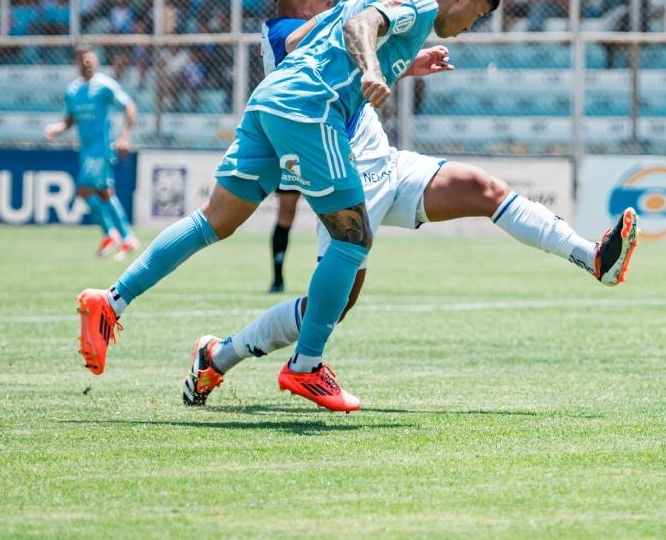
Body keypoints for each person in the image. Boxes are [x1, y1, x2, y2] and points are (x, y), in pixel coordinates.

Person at [75, 0, 501, 412]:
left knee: (213, 220)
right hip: (312, 109)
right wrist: (372, 69)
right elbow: (360, 27)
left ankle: (111, 300)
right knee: (353, 238)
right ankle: (306, 365)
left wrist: (396, 62)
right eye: (477, 15)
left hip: (271, 99)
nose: (469, 27)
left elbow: (303, 40)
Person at [182, 101, 640, 406]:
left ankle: (593, 258)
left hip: (388, 164)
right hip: (345, 177)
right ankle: (220, 356)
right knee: (334, 306)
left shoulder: (338, 19)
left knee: (485, 189)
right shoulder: (291, 34)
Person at [45, 46, 140, 260]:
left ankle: (112, 234)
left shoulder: (105, 85)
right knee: (104, 193)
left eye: (90, 59)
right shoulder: (72, 91)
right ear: (77, 62)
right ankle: (126, 238)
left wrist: (125, 136)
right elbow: (70, 119)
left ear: (96, 61)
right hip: (86, 150)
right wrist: (57, 128)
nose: (87, 63)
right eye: (83, 59)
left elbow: (129, 106)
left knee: (84, 190)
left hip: (102, 148)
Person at [258, 0, 316, 294]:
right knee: (287, 213)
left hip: (307, 134)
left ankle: (326, 277)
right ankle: (278, 277)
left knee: (329, 212)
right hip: (296, 137)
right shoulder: (287, 31)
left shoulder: (279, 31)